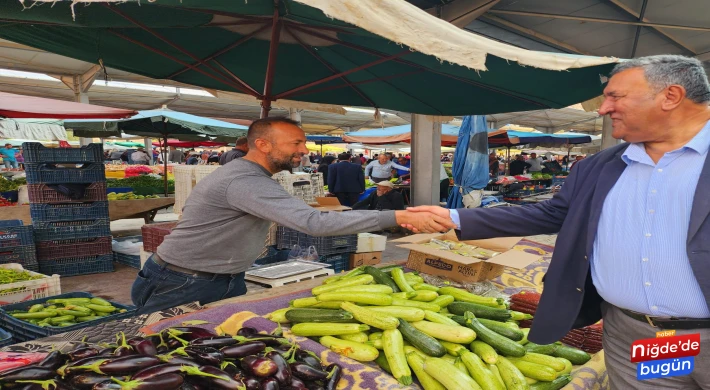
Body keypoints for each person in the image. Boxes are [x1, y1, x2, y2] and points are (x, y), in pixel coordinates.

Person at [407, 55, 710, 389]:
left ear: (671, 96)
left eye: (615, 96)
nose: (603, 109)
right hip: (633, 335)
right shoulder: (599, 166)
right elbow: (551, 213)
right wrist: (452, 216)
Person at [131, 117, 454, 315]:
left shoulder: (250, 177)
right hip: (184, 282)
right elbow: (314, 223)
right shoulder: (243, 180)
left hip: (218, 278)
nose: (305, 150)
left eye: (304, 142)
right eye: (296, 143)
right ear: (262, 145)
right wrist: (395, 216)